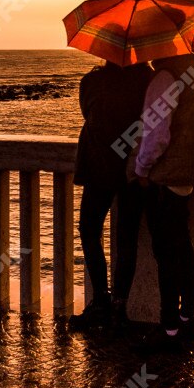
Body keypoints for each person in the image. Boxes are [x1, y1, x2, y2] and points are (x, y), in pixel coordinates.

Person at [129, 50, 194, 346]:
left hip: (165, 177)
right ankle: (186, 317)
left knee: (166, 252)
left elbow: (157, 134)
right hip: (190, 172)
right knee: (183, 247)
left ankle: (168, 327)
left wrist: (141, 168)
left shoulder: (165, 77)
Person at [67, 58, 154, 331]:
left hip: (97, 167)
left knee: (89, 230)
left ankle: (100, 303)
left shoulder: (92, 82)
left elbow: (88, 113)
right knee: (126, 239)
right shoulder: (148, 81)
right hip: (132, 169)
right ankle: (119, 306)